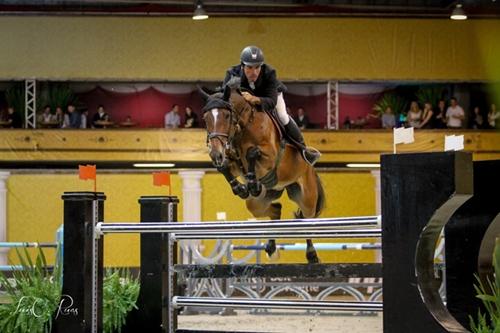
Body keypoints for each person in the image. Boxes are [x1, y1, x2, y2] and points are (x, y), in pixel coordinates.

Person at [223, 45, 320, 165]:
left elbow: (271, 101)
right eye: (249, 67)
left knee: (283, 116)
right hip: (245, 102)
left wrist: (255, 99)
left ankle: (303, 149)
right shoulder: (232, 73)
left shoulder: (269, 73)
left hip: (269, 97)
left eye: (257, 67)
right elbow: (225, 98)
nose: (254, 72)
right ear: (242, 66)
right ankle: (226, 148)